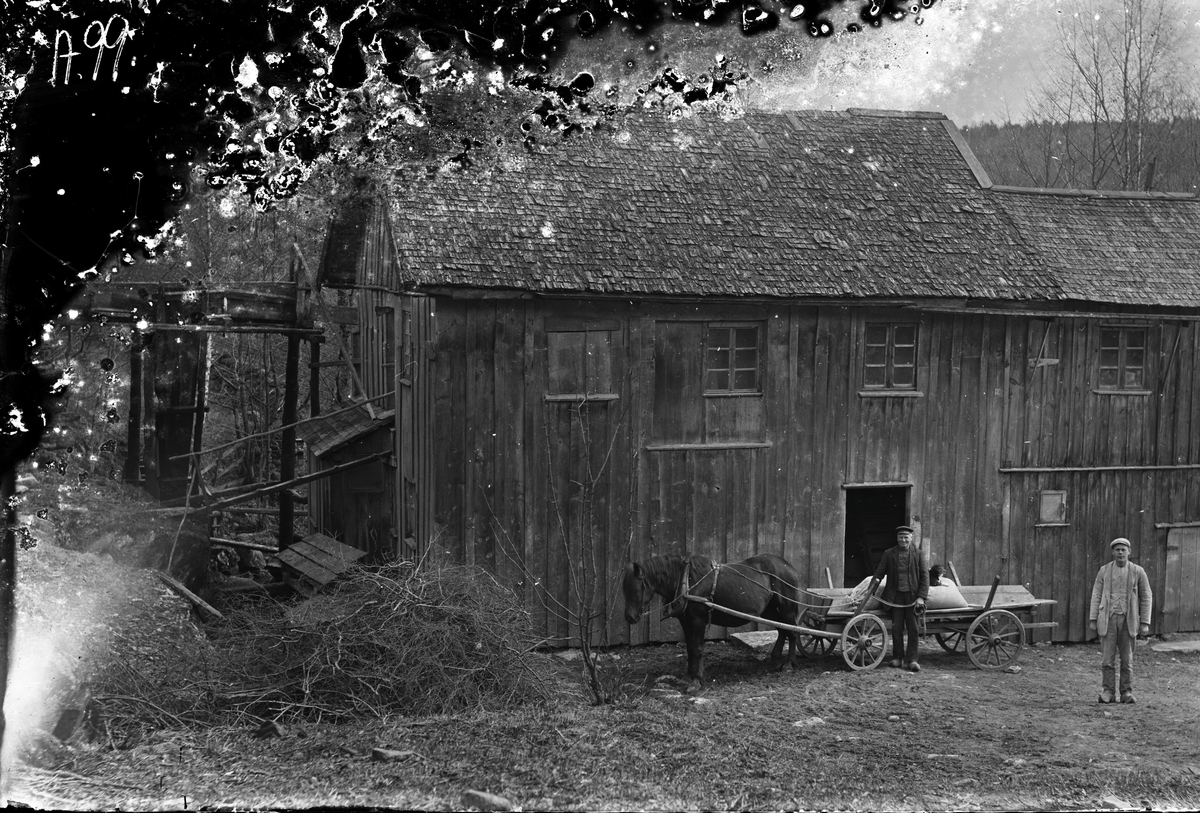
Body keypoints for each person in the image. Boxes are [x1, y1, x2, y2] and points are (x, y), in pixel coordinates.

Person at [1089, 537, 1152, 704]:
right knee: (1107, 659)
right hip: (1108, 620)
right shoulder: (1104, 571)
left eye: (1123, 550)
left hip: (1128, 621)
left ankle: (1126, 693)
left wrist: (1145, 622)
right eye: (1117, 550)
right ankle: (1108, 692)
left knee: (1127, 659)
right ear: (1113, 552)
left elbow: (1146, 596)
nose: (1120, 553)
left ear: (1129, 552)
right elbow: (1096, 594)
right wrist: (1093, 618)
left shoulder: (1138, 571)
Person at [870, 525, 929, 672]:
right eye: (900, 537)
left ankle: (912, 660)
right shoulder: (889, 554)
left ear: (911, 538)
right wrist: (871, 589)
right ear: (897, 539)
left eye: (906, 537)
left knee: (913, 629)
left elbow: (925, 577)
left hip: (912, 597)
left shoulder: (918, 554)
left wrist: (921, 597)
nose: (903, 540)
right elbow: (879, 573)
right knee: (896, 628)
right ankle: (897, 658)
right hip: (894, 597)